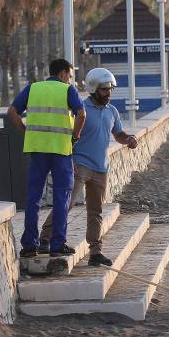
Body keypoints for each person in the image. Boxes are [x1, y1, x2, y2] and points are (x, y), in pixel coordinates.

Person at [38, 68, 138, 266]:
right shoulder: (80, 109)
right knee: (66, 204)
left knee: (96, 211)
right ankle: (45, 238)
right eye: (104, 89)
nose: (108, 93)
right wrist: (69, 161)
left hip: (101, 169)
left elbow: (118, 134)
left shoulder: (112, 111)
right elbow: (67, 137)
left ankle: (95, 252)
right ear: (93, 89)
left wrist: (129, 140)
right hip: (79, 165)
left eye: (110, 89)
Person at [8, 59, 86, 258]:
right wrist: (75, 136)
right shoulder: (68, 91)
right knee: (61, 197)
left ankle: (29, 245)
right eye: (69, 75)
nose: (69, 79)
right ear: (62, 74)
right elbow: (82, 114)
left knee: (33, 198)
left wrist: (26, 132)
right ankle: (57, 244)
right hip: (61, 150)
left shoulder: (32, 89)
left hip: (37, 149)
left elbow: (12, 112)